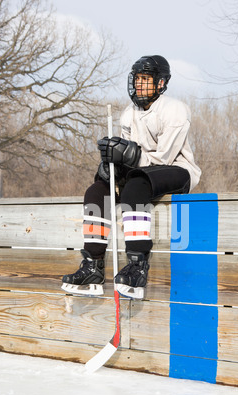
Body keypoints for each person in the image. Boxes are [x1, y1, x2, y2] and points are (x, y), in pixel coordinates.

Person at [61, 55, 201, 299]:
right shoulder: (129, 113)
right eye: (136, 78)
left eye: (145, 78)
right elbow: (132, 157)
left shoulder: (175, 110)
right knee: (97, 189)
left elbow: (164, 157)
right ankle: (93, 265)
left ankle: (137, 266)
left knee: (135, 185)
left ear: (160, 83)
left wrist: (130, 156)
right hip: (143, 170)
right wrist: (111, 164)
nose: (138, 83)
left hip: (178, 170)